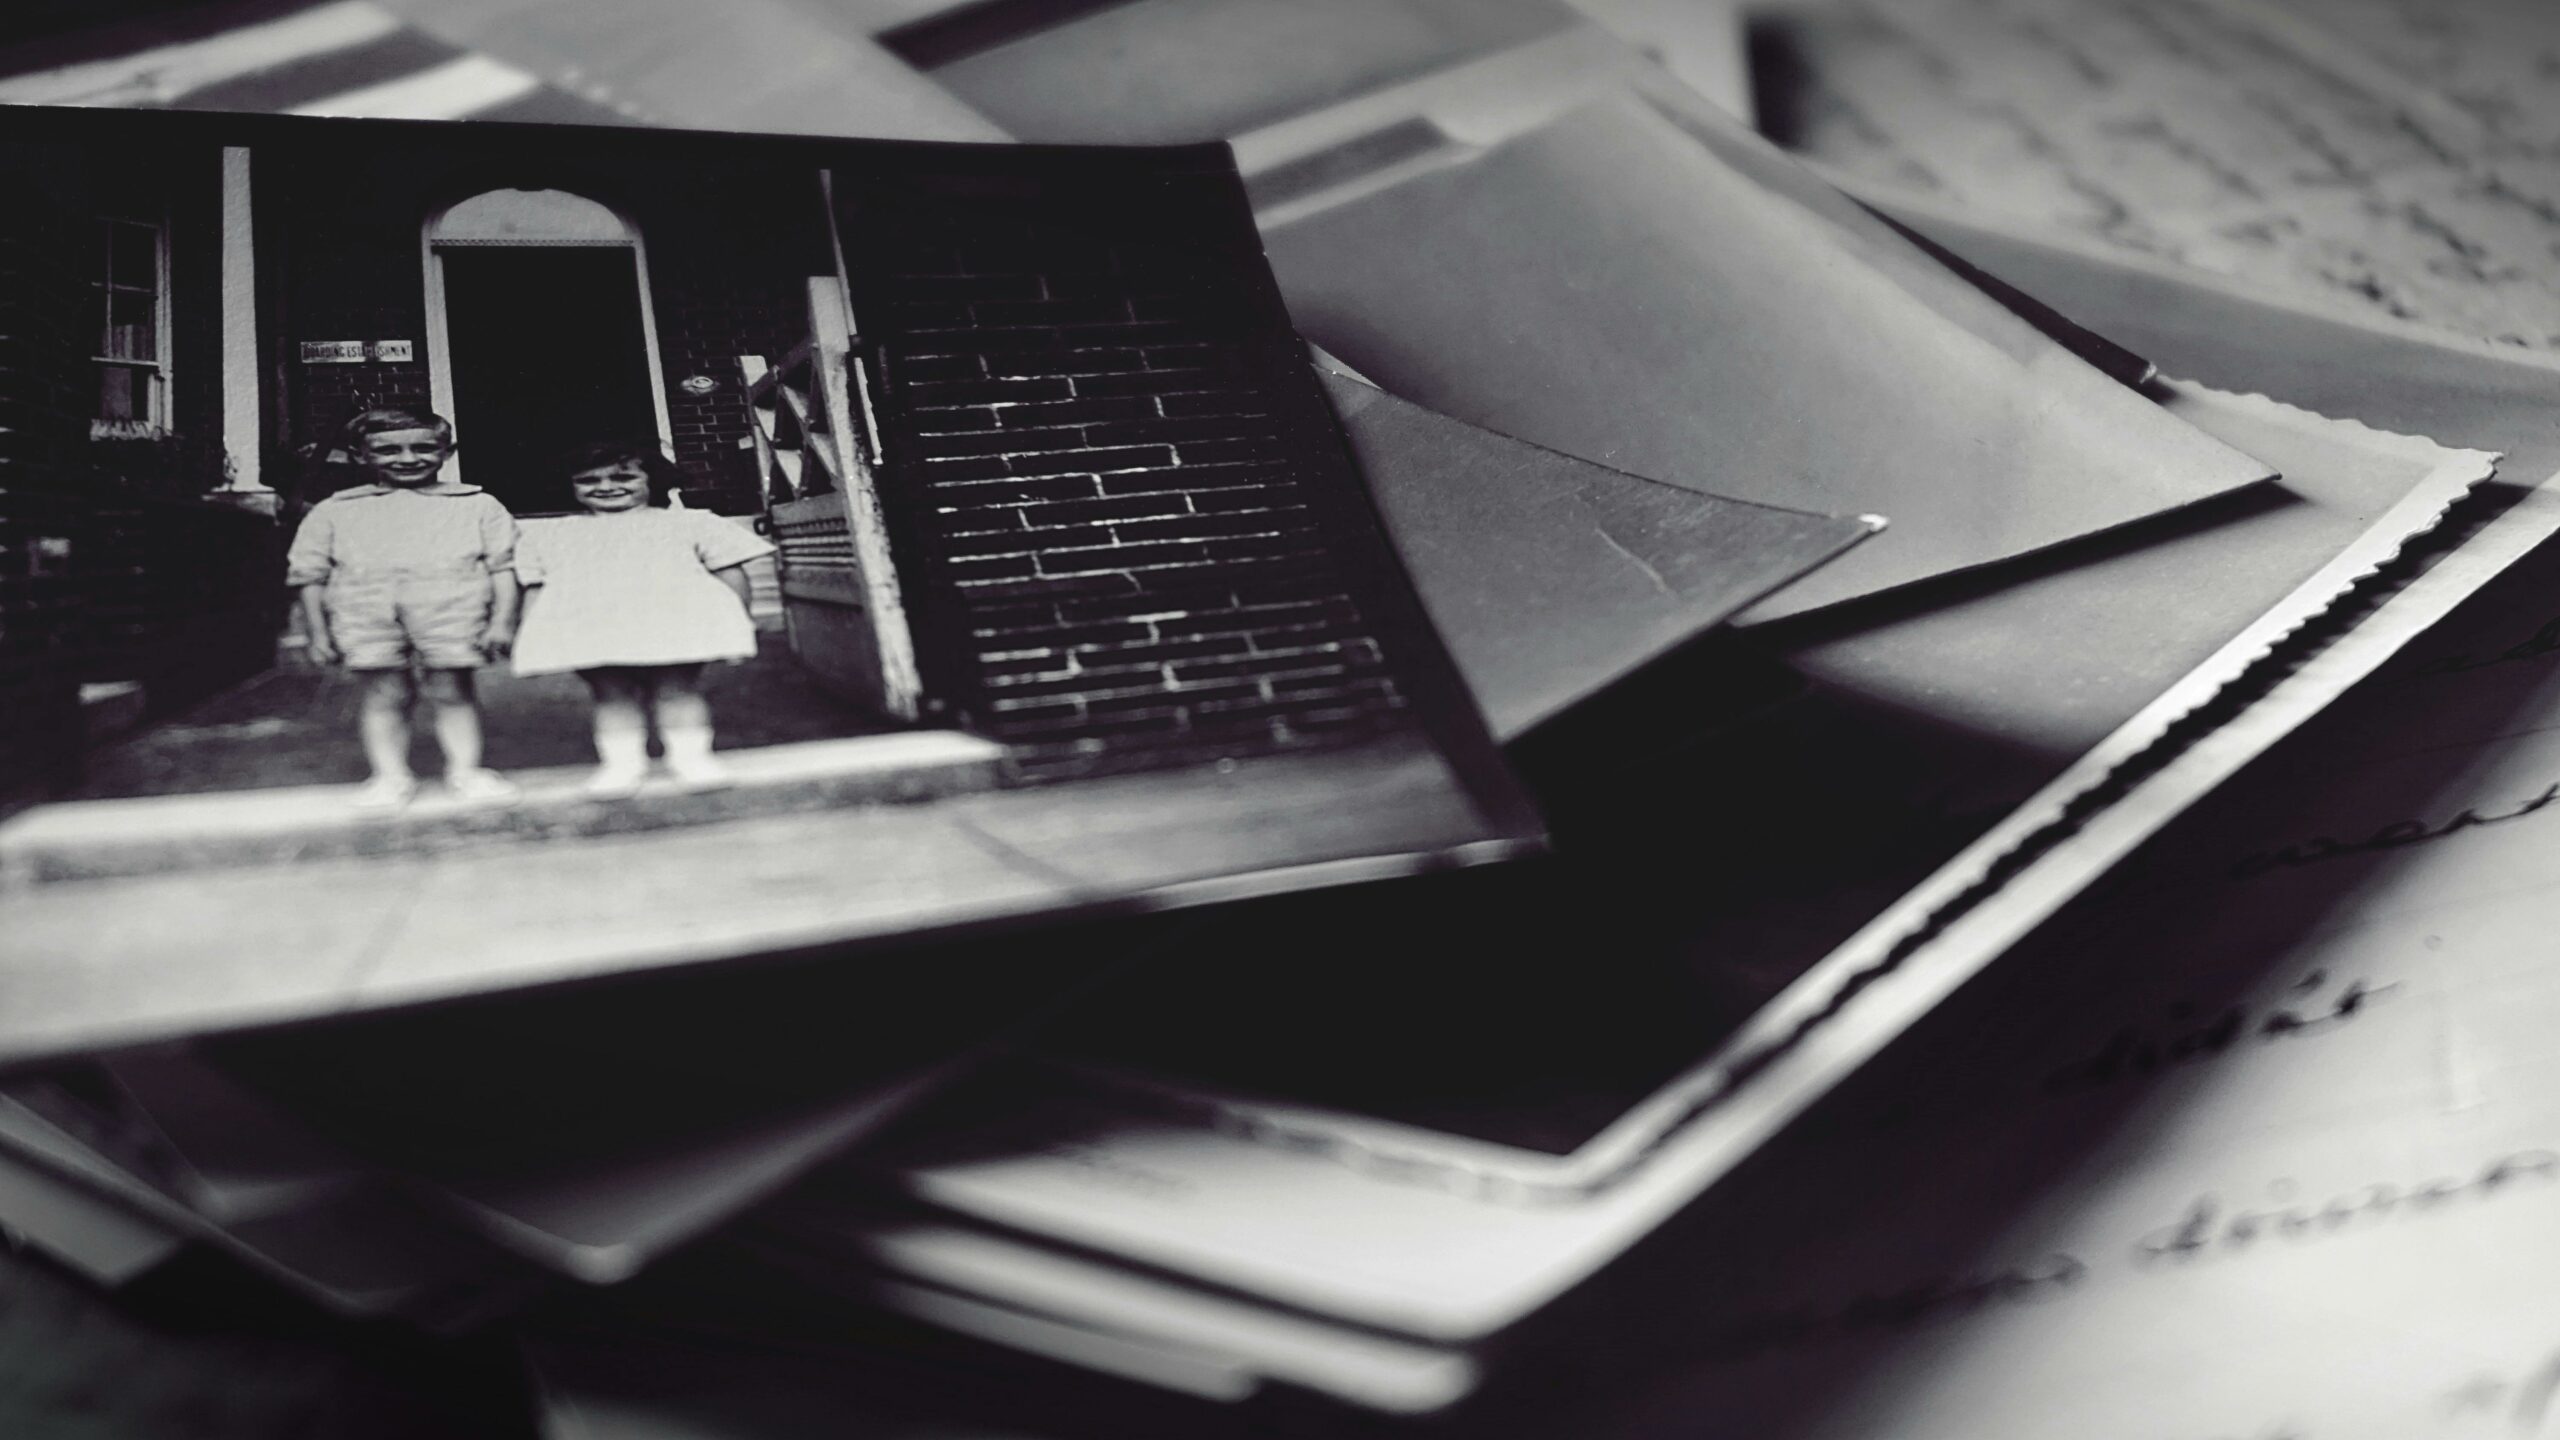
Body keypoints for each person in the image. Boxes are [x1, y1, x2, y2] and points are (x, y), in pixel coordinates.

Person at [285, 407, 521, 810]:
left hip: (454, 611)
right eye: (388, 450)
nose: (408, 459)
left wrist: (502, 620)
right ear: (360, 455)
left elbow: (504, 566)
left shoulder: (477, 505)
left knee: (452, 690)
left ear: (447, 452)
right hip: (365, 613)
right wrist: (317, 632)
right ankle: (390, 777)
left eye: (423, 448)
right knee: (384, 694)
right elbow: (309, 575)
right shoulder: (335, 510)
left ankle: (466, 771)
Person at [510, 442, 776, 796]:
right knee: (611, 694)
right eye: (589, 480)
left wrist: (739, 620)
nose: (606, 487)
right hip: (593, 627)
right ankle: (622, 765)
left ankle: (692, 760)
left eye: (624, 477)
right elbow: (535, 586)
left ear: (654, 479)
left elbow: (730, 573)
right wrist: (532, 635)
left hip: (674, 622)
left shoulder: (690, 523)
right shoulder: (553, 534)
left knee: (677, 689)